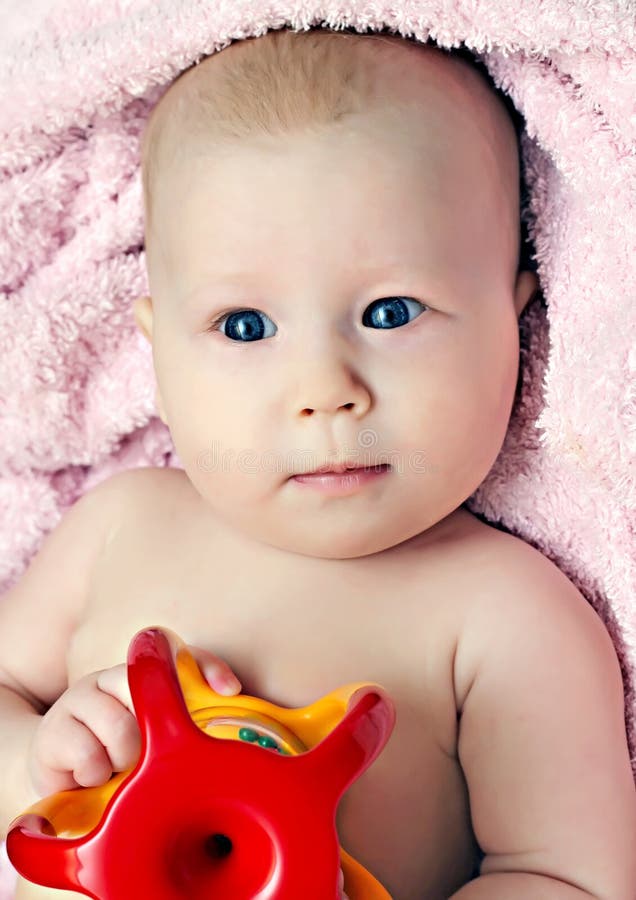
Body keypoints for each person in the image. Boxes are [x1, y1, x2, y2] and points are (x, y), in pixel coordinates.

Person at [1, 26, 635, 900]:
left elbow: (570, 877)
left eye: (390, 311)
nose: (323, 392)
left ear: (517, 324)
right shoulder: (120, 525)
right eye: (245, 327)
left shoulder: (508, 618)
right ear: (157, 356)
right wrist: (37, 754)